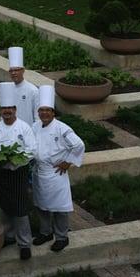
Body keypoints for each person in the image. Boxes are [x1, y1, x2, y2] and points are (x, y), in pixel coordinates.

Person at [0, 82, 37, 260]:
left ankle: (24, 243)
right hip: (2, 173)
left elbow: (32, 150)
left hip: (19, 173)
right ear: (0, 111)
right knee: (4, 204)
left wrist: (16, 160)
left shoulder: (24, 128)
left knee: (21, 208)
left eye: (10, 108)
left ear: (15, 109)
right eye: (3, 109)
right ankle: (8, 236)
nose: (7, 111)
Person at [32, 85, 85, 252]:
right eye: (41, 110)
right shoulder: (35, 126)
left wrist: (68, 162)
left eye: (48, 110)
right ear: (38, 112)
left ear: (53, 113)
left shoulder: (62, 128)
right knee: (41, 205)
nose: (44, 113)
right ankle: (46, 232)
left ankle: (62, 236)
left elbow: (78, 144)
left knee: (59, 207)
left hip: (55, 174)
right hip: (39, 172)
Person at [8, 46, 39, 126]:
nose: (14, 73)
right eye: (11, 71)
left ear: (23, 70)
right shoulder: (7, 89)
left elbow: (37, 116)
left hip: (28, 131)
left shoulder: (33, 90)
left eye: (16, 70)